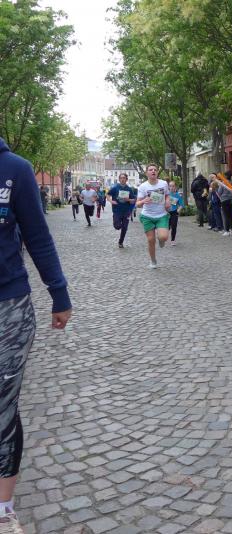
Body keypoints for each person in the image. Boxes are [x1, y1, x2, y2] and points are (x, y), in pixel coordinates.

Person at [0, 137, 72, 532]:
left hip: (8, 306)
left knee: (2, 408)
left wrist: (58, 292)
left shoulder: (15, 169)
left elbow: (38, 236)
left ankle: (4, 509)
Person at [136, 164, 172, 269]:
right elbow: (138, 204)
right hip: (147, 216)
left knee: (163, 237)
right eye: (150, 170)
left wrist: (167, 201)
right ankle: (153, 260)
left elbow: (167, 195)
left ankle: (161, 240)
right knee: (151, 240)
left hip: (161, 215)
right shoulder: (143, 186)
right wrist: (143, 201)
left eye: (155, 170)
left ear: (157, 172)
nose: (153, 171)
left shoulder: (163, 183)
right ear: (146, 173)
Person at [108, 173, 136, 248]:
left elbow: (133, 200)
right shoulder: (115, 188)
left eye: (124, 178)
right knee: (117, 226)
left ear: (126, 179)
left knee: (124, 228)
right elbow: (107, 195)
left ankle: (121, 242)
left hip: (126, 211)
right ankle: (116, 223)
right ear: (119, 179)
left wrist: (128, 199)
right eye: (121, 178)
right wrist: (111, 201)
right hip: (117, 210)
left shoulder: (129, 189)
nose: (122, 179)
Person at [215, 171, 232, 235]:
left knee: (226, 215)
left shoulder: (223, 183)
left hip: (224, 200)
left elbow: (219, 192)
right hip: (231, 200)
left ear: (225, 176)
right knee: (231, 215)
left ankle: (227, 230)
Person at [167, 182, 184, 246]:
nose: (171, 187)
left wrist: (178, 210)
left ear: (175, 187)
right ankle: (163, 236)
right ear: (168, 187)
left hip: (174, 213)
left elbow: (181, 205)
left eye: (173, 186)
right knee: (167, 227)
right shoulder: (166, 194)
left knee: (174, 226)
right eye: (170, 186)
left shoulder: (178, 195)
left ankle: (173, 240)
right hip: (166, 213)